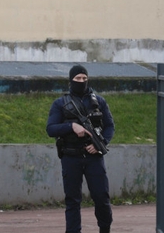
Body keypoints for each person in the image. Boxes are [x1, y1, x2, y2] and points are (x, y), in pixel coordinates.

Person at [46, 65, 115, 233]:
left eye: (84, 78)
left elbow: (109, 126)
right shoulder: (60, 103)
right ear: (71, 80)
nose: (82, 81)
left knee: (101, 197)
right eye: (78, 79)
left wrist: (101, 144)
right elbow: (51, 129)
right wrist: (71, 126)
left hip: (94, 157)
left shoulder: (98, 102)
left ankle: (105, 229)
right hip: (71, 156)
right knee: (72, 200)